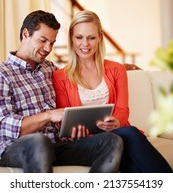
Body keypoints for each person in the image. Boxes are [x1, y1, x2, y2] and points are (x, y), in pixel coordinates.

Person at [0, 10, 124, 173]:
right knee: (39, 142)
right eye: (43, 40)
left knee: (111, 141)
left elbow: (76, 70)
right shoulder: (3, 73)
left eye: (52, 43)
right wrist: (49, 115)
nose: (47, 48)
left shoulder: (49, 68)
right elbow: (3, 125)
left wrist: (120, 67)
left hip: (56, 145)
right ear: (25, 34)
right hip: (17, 148)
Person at [53, 10, 172, 173]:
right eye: (79, 37)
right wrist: (73, 132)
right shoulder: (60, 76)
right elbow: (64, 121)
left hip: (118, 134)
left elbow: (123, 110)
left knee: (128, 141)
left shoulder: (116, 69)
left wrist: (116, 121)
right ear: (71, 39)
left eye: (91, 38)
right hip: (88, 142)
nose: (85, 44)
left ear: (100, 38)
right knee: (130, 135)